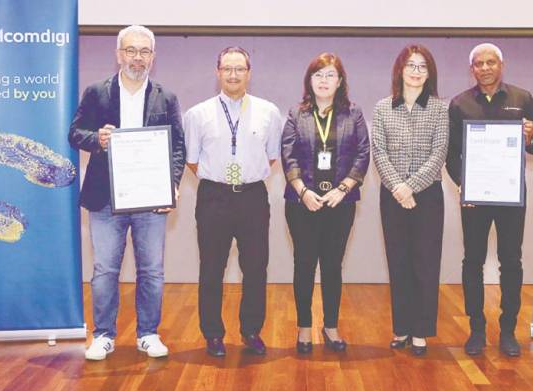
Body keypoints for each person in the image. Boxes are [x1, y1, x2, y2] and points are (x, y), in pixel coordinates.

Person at [68, 25, 185, 360]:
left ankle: (148, 333)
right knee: (105, 269)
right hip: (105, 199)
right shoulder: (97, 92)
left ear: (153, 57)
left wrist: (172, 185)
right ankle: (103, 335)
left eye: (144, 51)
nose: (138, 57)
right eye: (131, 50)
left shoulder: (166, 96)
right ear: (118, 54)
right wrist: (97, 140)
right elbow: (75, 133)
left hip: (150, 199)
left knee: (152, 270)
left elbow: (178, 146)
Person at [446, 43, 533, 357]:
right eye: (479, 63)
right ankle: (476, 328)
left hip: (510, 195)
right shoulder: (460, 103)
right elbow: (452, 155)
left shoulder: (522, 98)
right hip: (475, 197)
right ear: (472, 69)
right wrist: (465, 184)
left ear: (501, 65)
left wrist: (531, 138)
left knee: (511, 262)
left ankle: (507, 331)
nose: (486, 68)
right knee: (472, 261)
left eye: (491, 62)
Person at [184, 47, 282, 357]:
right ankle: (212, 334)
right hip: (214, 196)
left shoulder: (269, 112)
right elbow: (192, 160)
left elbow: (272, 156)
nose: (233, 75)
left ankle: (251, 330)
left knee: (256, 268)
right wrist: (222, 180)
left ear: (249, 73)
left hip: (253, 196)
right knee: (211, 268)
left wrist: (243, 178)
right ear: (218, 72)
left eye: (240, 69)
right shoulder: (197, 114)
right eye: (227, 68)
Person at [281, 53, 370, 354]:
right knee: (304, 264)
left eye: (330, 75)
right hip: (301, 202)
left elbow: (362, 154)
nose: (323, 80)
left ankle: (330, 326)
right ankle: (304, 327)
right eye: (318, 75)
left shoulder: (353, 114)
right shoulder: (297, 114)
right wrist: (303, 190)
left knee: (333, 265)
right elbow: (288, 155)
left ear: (340, 81)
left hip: (339, 202)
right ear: (310, 80)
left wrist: (343, 188)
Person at [371, 44, 449, 356]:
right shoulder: (382, 108)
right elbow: (379, 151)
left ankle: (421, 331)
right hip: (392, 196)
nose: (416, 72)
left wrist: (411, 186)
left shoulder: (440, 109)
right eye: (410, 66)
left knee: (425, 264)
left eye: (422, 67)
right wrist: (398, 187)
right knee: (399, 262)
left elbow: (439, 152)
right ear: (399, 70)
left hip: (427, 196)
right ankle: (401, 327)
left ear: (429, 73)